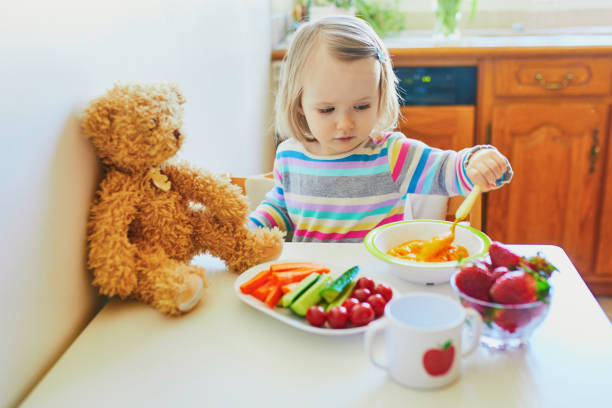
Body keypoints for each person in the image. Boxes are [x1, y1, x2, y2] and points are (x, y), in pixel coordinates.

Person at [249, 15, 512, 242]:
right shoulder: (288, 156)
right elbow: (281, 207)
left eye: (362, 106)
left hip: (376, 287)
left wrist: (475, 163)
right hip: (313, 284)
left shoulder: (392, 155)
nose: (345, 124)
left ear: (380, 95)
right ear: (299, 104)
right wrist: (250, 229)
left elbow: (446, 170)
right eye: (327, 110)